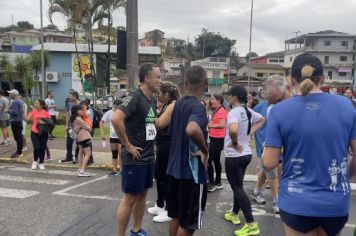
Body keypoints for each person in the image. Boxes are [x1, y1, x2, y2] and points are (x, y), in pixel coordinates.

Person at [262, 53, 356, 236]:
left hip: (296, 200)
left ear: (291, 79)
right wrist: (346, 175)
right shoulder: (346, 106)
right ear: (322, 78)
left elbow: (269, 162)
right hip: (335, 201)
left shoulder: (279, 111)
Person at [112, 63, 161, 236]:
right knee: (130, 198)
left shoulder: (152, 99)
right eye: (158, 77)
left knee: (142, 195)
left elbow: (151, 124)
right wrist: (128, 145)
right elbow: (116, 119)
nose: (160, 81)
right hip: (135, 158)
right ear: (147, 79)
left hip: (148, 156)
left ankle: (137, 229)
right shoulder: (134, 97)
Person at [166, 66, 209, 236]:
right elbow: (192, 129)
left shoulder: (178, 105)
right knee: (188, 223)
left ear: (185, 83)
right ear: (205, 83)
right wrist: (204, 149)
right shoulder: (198, 107)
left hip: (173, 170)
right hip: (191, 173)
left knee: (176, 217)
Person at [223, 85, 265, 236]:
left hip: (234, 156)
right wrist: (249, 133)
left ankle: (251, 224)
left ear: (234, 97)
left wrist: (234, 143)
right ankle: (234, 214)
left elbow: (233, 130)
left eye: (230, 96)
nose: (228, 98)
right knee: (238, 185)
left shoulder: (233, 112)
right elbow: (262, 120)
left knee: (237, 188)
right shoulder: (248, 111)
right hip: (246, 155)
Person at [252, 75, 293, 214]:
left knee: (268, 168)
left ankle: (257, 191)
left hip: (286, 148)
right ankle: (276, 201)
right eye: (272, 101)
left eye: (279, 99)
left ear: (289, 88)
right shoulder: (269, 108)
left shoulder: (298, 105)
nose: (276, 104)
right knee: (272, 169)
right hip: (269, 144)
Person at [147, 81, 180, 223]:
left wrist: (148, 114)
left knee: (166, 178)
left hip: (168, 145)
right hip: (162, 144)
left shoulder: (172, 106)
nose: (157, 96)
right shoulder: (167, 104)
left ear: (167, 94)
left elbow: (160, 123)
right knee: (159, 176)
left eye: (159, 94)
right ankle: (160, 204)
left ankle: (169, 210)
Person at [207, 94, 227, 192]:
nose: (211, 101)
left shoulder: (222, 111)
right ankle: (218, 182)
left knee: (208, 160)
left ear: (219, 100)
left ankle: (211, 183)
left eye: (213, 99)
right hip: (214, 139)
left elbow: (222, 124)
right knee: (216, 160)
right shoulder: (217, 110)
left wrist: (210, 126)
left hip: (217, 140)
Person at [25, 99, 51, 170]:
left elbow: (50, 123)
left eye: (37, 103)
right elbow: (27, 119)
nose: (35, 104)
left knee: (42, 148)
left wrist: (42, 122)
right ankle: (35, 161)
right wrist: (22, 113)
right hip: (34, 132)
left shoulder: (46, 113)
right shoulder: (33, 112)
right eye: (35, 103)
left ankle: (41, 163)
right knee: (37, 147)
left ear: (41, 105)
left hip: (43, 133)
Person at [100, 99, 123, 176]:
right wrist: (102, 133)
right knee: (114, 153)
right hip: (112, 136)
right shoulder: (109, 113)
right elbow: (101, 121)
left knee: (121, 153)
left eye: (117, 106)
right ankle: (114, 169)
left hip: (121, 135)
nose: (115, 107)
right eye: (114, 105)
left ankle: (121, 170)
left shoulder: (122, 113)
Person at [71, 104, 92, 177]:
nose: (81, 111)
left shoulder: (75, 118)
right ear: (76, 111)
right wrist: (89, 126)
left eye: (81, 109)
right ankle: (82, 170)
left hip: (79, 138)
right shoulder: (79, 119)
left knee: (80, 152)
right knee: (88, 153)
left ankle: (80, 169)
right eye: (79, 110)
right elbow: (88, 127)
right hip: (84, 137)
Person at [59, 90, 80, 163]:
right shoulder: (70, 104)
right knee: (69, 142)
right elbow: (67, 114)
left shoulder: (79, 104)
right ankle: (69, 157)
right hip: (70, 126)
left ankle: (77, 157)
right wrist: (66, 125)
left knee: (78, 142)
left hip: (78, 126)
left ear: (75, 96)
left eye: (71, 96)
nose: (69, 97)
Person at [7, 89, 24, 158]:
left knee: (18, 138)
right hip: (19, 121)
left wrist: (8, 110)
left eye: (10, 93)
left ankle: (19, 152)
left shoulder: (15, 102)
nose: (9, 95)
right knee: (19, 137)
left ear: (14, 94)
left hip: (16, 121)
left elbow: (15, 113)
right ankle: (19, 151)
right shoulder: (20, 101)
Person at [81, 98, 94, 165]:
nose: (83, 106)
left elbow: (90, 121)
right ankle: (89, 159)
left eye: (84, 104)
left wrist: (89, 129)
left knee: (88, 145)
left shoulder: (89, 111)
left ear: (87, 105)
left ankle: (89, 160)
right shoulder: (83, 111)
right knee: (86, 145)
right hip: (85, 129)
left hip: (88, 129)